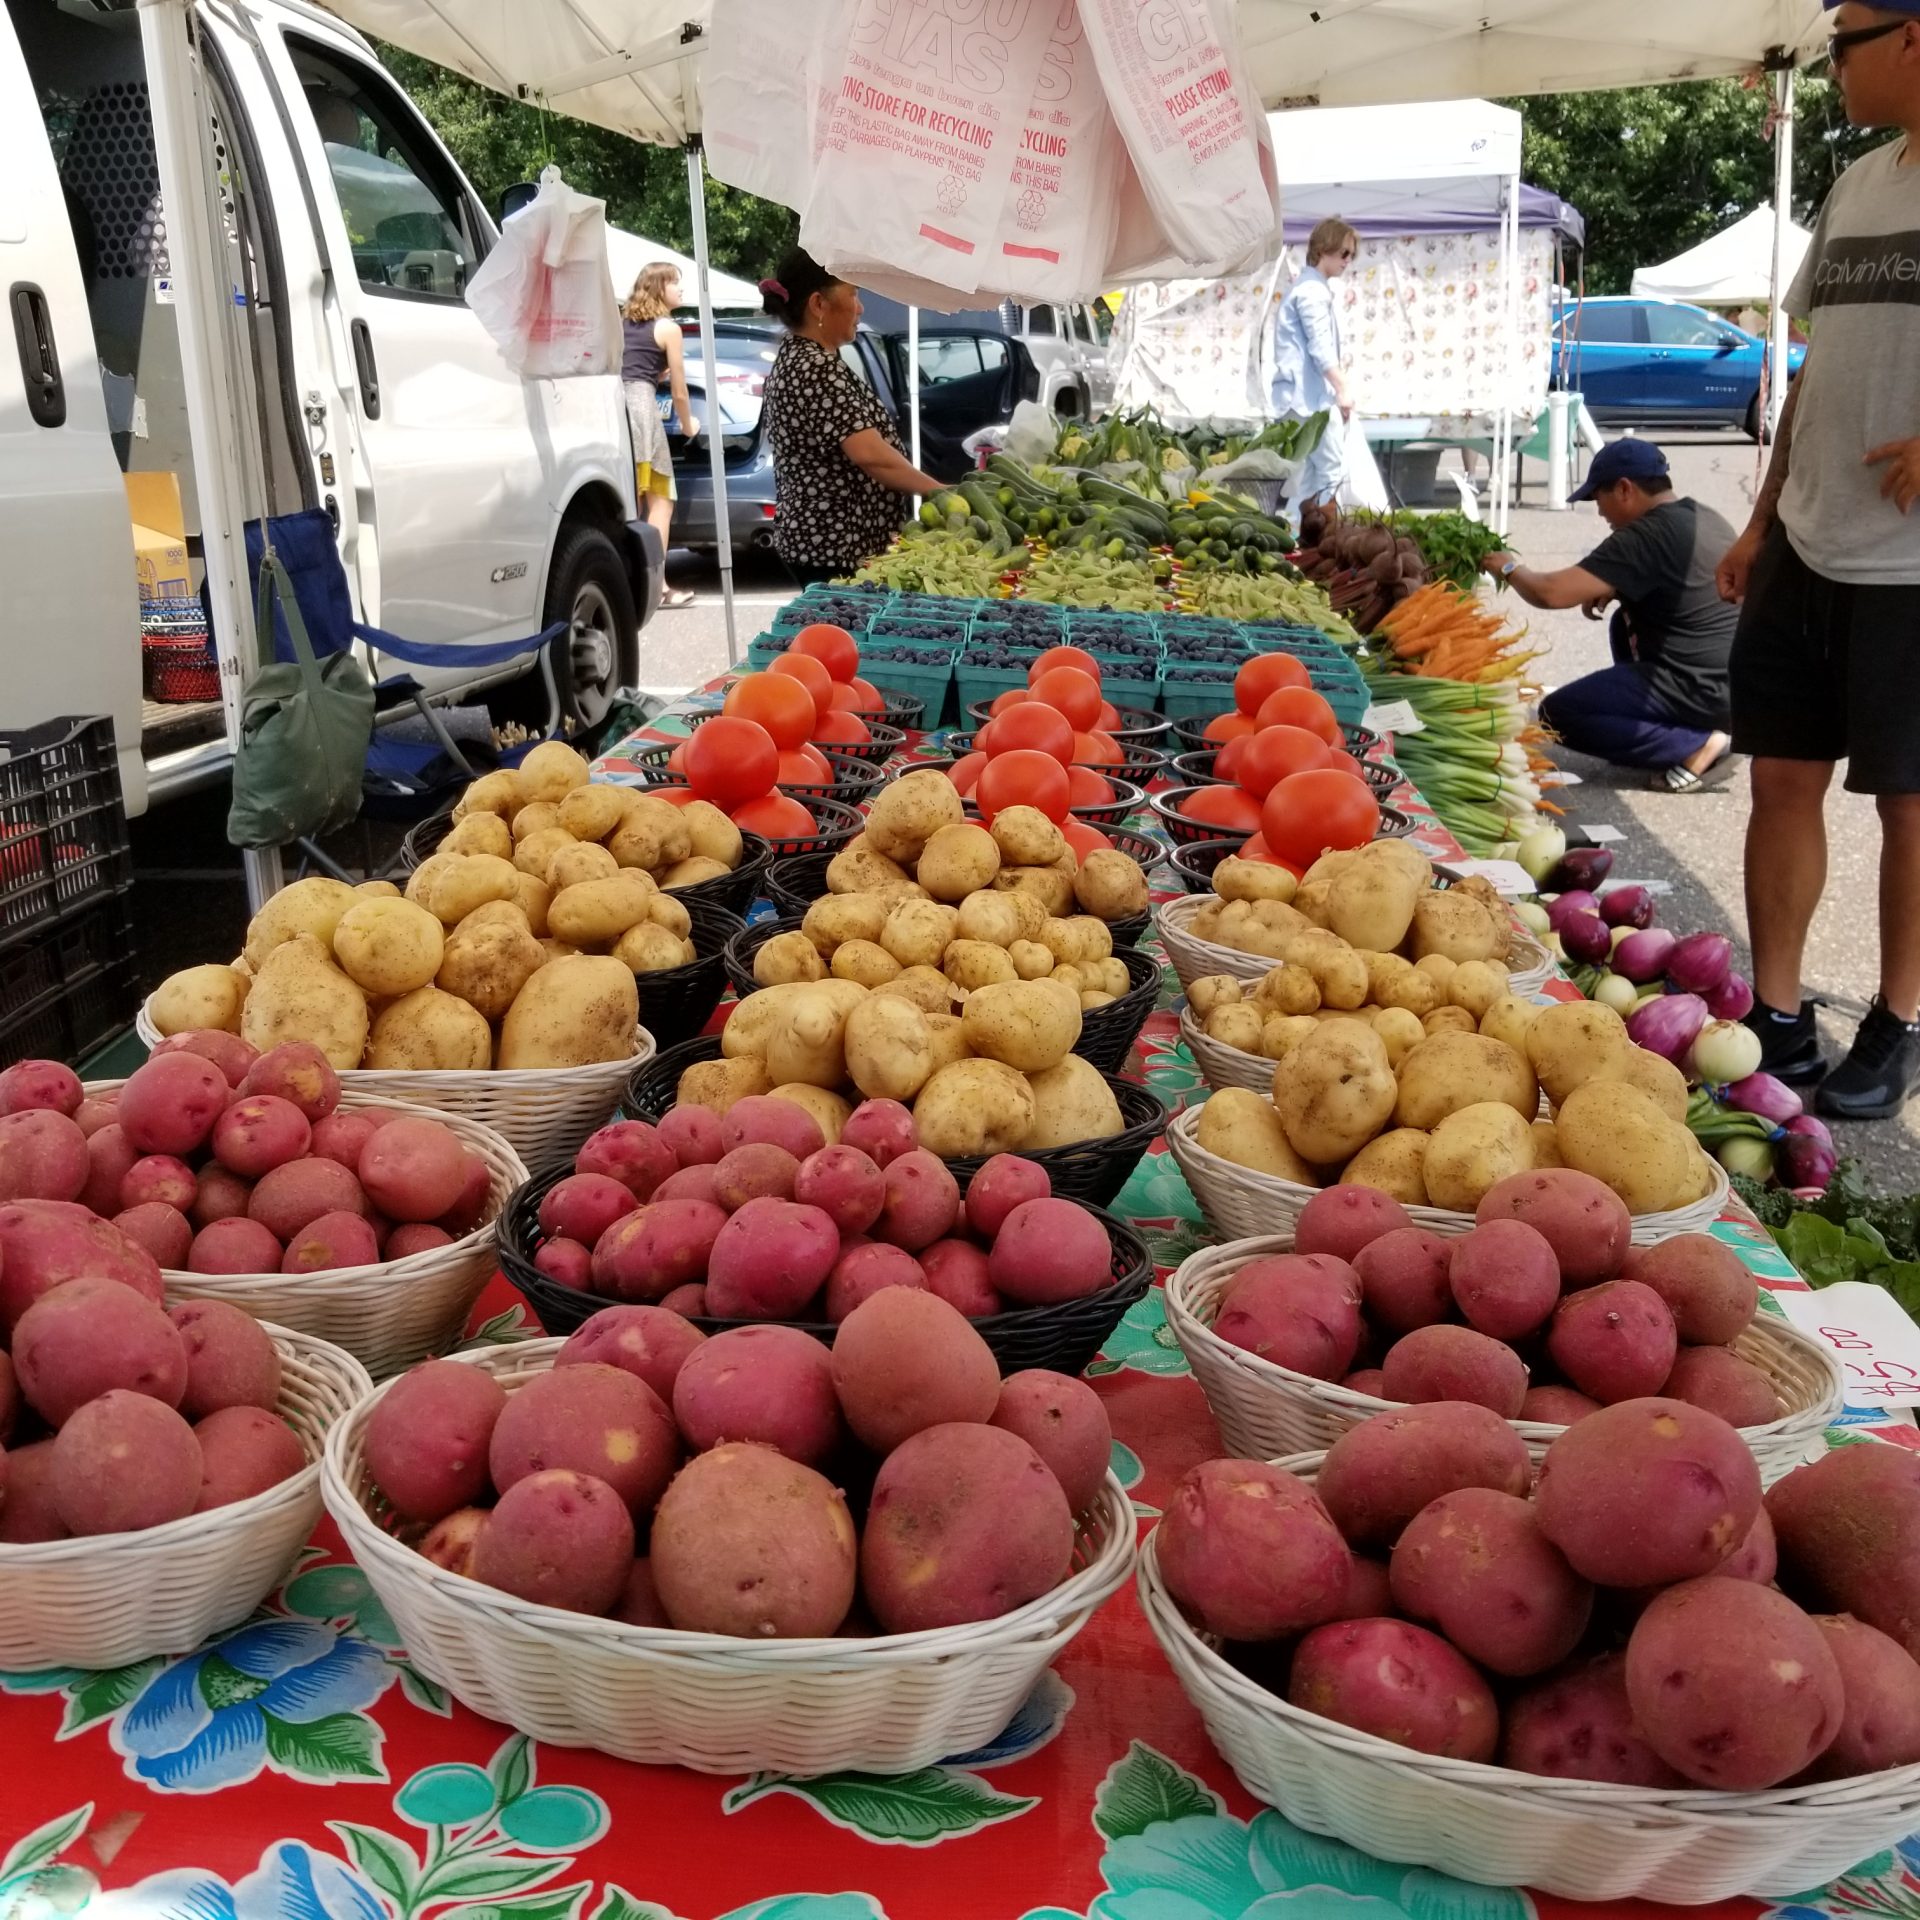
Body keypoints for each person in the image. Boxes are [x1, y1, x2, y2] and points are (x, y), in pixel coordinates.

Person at [1714, 0, 1920, 1120]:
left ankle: (1900, 1020)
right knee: (1782, 780)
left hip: (1913, 570)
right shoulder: (1859, 183)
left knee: (1911, 804)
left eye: (1844, 40)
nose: (1832, 60)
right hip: (1807, 538)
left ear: (1914, 37)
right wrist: (1759, 522)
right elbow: (1812, 368)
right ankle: (1779, 1017)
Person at [1481, 439, 1736, 791]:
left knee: (1558, 714)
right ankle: (1664, 732)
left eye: (1598, 498)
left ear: (1624, 488)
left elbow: (1550, 593)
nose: (1599, 512)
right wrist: (1616, 587)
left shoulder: (1645, 535)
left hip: (1698, 686)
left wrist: (1508, 565)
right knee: (1621, 621)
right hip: (1734, 682)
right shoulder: (1703, 516)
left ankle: (1696, 743)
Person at [757, 250, 944, 586]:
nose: (860, 307)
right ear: (818, 304)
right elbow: (870, 454)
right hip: (833, 549)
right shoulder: (814, 367)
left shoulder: (803, 356)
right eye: (853, 294)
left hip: (823, 544)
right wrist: (941, 492)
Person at [622, 263, 697, 609]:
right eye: (675, 283)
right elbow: (680, 393)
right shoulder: (668, 329)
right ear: (659, 288)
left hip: (613, 408)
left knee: (629, 501)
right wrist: (687, 424)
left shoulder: (622, 324)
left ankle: (627, 584)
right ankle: (659, 588)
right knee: (661, 500)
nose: (681, 290)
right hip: (641, 409)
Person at [1271, 218, 1359, 506]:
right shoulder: (1311, 291)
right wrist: (1343, 388)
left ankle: (1300, 538)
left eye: (1351, 254)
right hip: (1308, 400)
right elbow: (1320, 346)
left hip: (1297, 398)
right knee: (1330, 470)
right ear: (1324, 248)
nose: (1348, 260)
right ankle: (1321, 537)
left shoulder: (1307, 287)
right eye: (1344, 252)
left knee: (1305, 476)